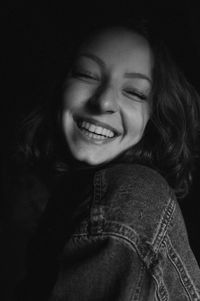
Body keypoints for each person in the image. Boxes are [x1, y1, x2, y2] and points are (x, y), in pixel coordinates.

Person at [9, 16, 200, 300]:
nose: (104, 102)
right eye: (86, 74)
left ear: (155, 117)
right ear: (59, 85)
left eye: (134, 92)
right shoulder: (56, 215)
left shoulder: (134, 192)